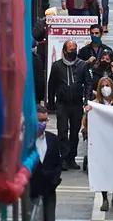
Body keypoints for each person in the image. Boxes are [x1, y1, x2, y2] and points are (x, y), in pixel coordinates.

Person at [82, 77, 113, 211]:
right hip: (101, 143)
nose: (105, 88)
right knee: (102, 171)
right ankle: (105, 199)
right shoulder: (95, 104)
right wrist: (87, 113)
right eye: (102, 86)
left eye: (107, 85)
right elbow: (85, 124)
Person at [47, 40, 86, 170]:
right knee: (62, 131)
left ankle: (71, 158)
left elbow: (87, 83)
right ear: (64, 51)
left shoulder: (82, 65)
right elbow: (51, 85)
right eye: (70, 50)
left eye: (75, 49)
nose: (73, 52)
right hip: (62, 103)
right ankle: (63, 158)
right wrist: (51, 103)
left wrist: (87, 100)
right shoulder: (57, 66)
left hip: (77, 103)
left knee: (75, 132)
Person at [30, 105, 62, 221]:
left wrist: (55, 180)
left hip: (49, 189)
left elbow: (57, 162)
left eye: (45, 120)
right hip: (31, 189)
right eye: (40, 120)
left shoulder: (52, 139)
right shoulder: (25, 141)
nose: (43, 124)